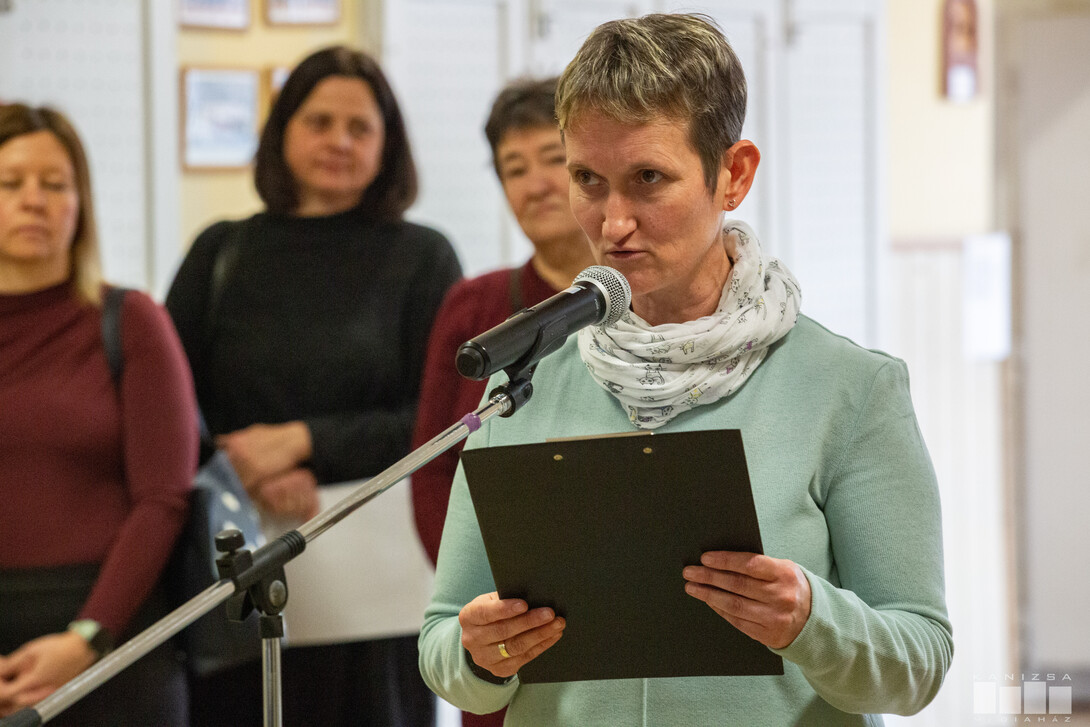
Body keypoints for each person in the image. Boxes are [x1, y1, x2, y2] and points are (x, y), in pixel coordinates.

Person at [418, 13, 953, 726]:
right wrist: (479, 654)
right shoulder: (522, 387)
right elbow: (442, 640)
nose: (612, 224)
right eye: (587, 179)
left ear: (733, 174)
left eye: (648, 179)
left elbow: (919, 664)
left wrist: (812, 620)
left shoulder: (850, 389)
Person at [165, 46, 461, 726]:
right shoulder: (220, 251)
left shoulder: (422, 256)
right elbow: (171, 404)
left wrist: (304, 443)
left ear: (388, 145)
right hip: (238, 561)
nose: (339, 141)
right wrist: (247, 468)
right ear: (283, 132)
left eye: (360, 127)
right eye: (319, 121)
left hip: (376, 580)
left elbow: (440, 419)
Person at [0, 104, 196, 725]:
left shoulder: (130, 320)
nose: (34, 200)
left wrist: (88, 636)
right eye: (10, 183)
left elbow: (163, 498)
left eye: (55, 184)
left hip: (114, 634)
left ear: (80, 204)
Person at [410, 76, 594, 727]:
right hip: (504, 624)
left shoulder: (651, 301)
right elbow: (434, 468)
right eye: (514, 169)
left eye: (552, 159)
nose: (535, 183)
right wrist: (488, 589)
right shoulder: (474, 306)